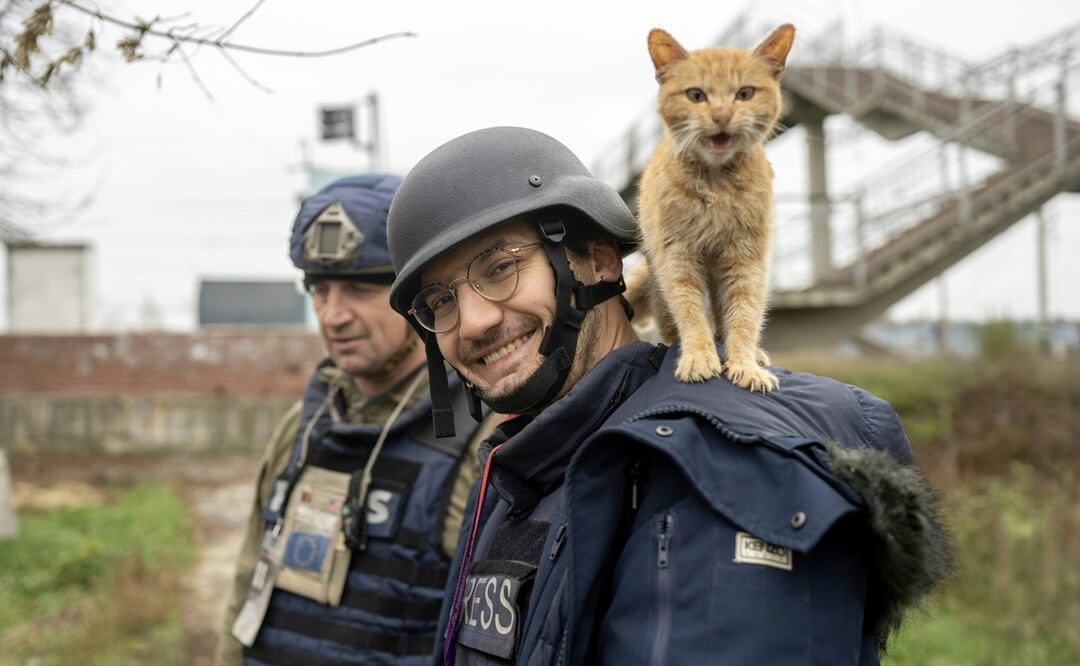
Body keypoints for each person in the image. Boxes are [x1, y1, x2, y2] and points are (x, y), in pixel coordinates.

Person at [384, 127, 951, 665]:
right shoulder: (522, 471)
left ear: (601, 259)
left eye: (502, 267)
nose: (474, 321)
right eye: (440, 302)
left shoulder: (720, 471)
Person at [217, 175, 500, 666]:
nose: (332, 315)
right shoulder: (301, 428)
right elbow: (247, 587)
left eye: (360, 289)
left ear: (420, 294)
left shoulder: (486, 439)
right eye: (320, 290)